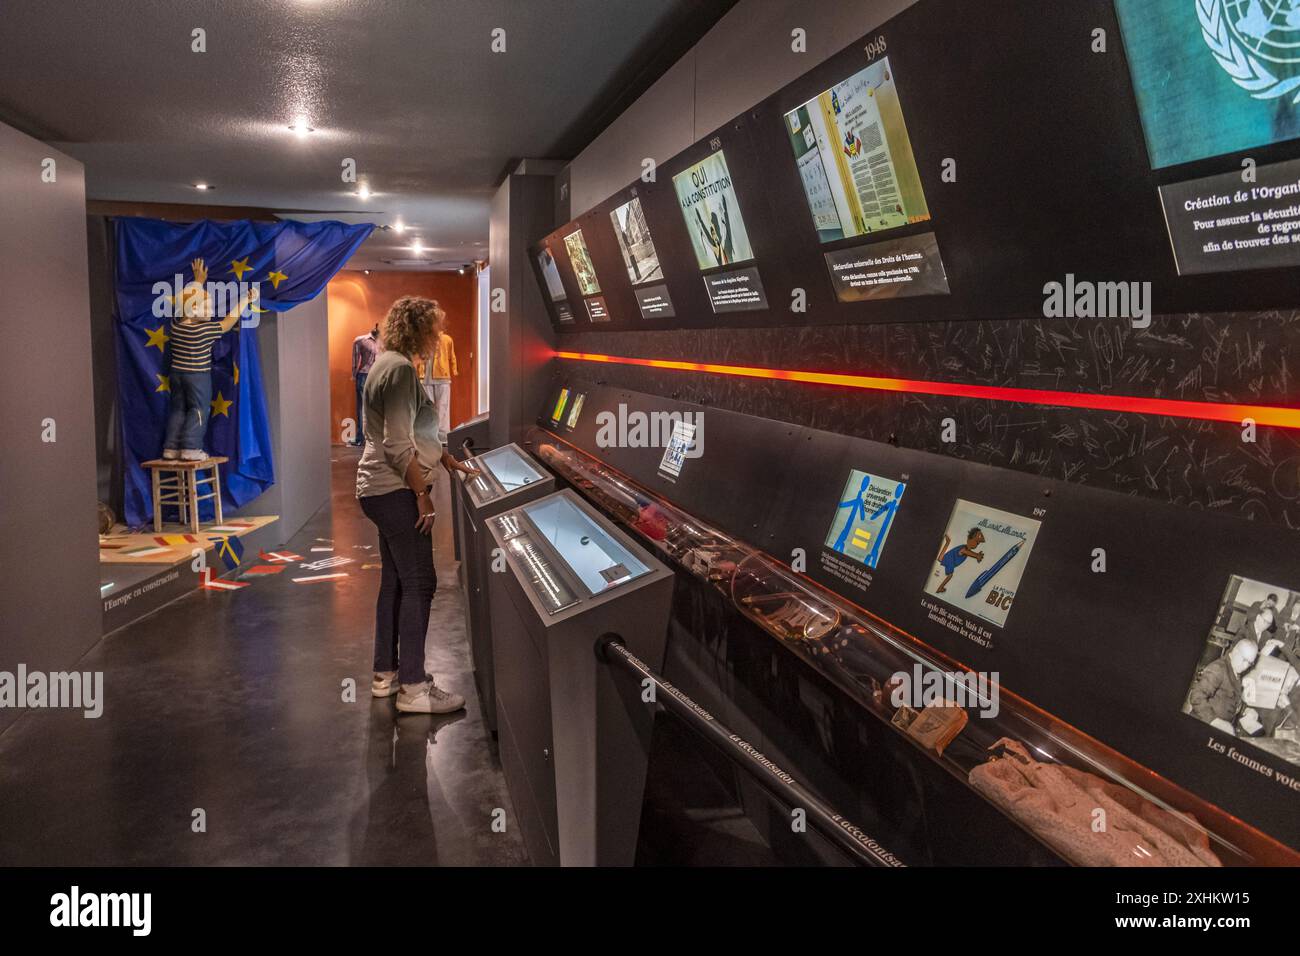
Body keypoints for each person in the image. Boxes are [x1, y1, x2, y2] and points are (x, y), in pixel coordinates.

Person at [356, 296, 479, 714]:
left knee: (395, 581)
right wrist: (423, 497)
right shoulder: (402, 370)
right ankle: (414, 687)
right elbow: (395, 444)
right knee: (421, 583)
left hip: (379, 490)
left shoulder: (386, 363)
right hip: (395, 492)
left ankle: (386, 674)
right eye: (433, 329)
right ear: (421, 330)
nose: (436, 337)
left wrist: (445, 459)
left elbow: (411, 431)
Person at [162, 257, 258, 460]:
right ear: (194, 310)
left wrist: (198, 281)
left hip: (177, 375)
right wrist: (245, 300)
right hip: (197, 375)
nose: (211, 311)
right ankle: (190, 447)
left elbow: (184, 303)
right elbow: (228, 322)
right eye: (207, 307)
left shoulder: (176, 325)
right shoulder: (204, 330)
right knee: (198, 409)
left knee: (178, 408)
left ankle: (170, 448)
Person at [1186, 637, 1259, 735]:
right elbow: (1196, 696)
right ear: (1235, 651)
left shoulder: (1236, 670)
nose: (1245, 666)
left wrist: (1246, 710)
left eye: (1250, 663)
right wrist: (1214, 721)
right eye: (1244, 659)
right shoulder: (1219, 669)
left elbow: (1233, 698)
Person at [419, 306, 457, 443]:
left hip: (442, 377)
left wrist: (454, 370)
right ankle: (428, 435)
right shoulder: (423, 339)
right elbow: (418, 356)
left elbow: (452, 356)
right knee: (427, 408)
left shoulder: (447, 339)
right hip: (425, 378)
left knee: (443, 407)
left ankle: (442, 436)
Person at [351, 323, 381, 446]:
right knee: (361, 407)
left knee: (378, 406)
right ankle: (360, 437)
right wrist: (354, 374)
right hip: (363, 375)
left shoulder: (385, 342)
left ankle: (376, 437)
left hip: (378, 375)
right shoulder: (360, 340)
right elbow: (355, 358)